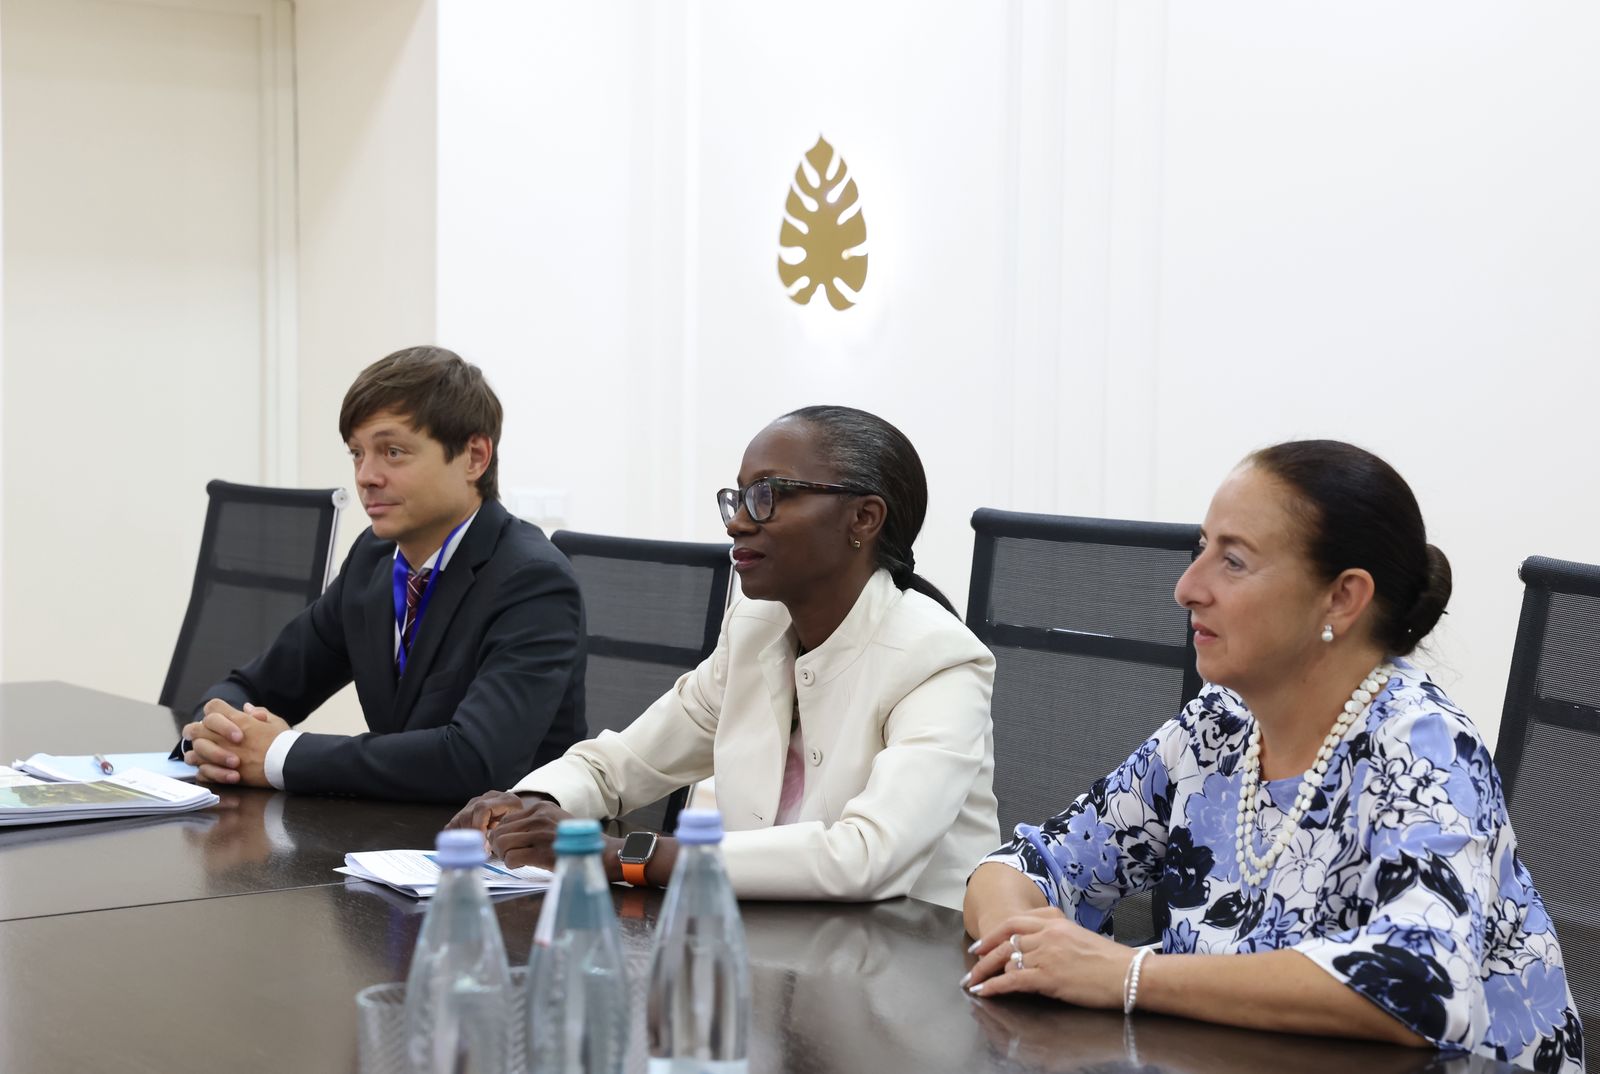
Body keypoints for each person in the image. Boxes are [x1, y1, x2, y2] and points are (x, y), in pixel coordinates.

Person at [962, 440, 1583, 1074]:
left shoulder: (1425, 747)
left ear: (1342, 598)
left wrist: (1128, 974)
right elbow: (1024, 865)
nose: (1187, 588)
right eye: (1202, 548)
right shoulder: (1219, 725)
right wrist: (1024, 948)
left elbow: (1421, 985)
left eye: (1233, 561)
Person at [449, 405, 999, 909]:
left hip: (908, 959)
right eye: (739, 498)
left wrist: (619, 855)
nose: (737, 521)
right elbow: (620, 764)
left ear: (864, 517)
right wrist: (528, 805)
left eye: (769, 495)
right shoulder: (755, 628)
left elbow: (865, 857)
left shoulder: (939, 659)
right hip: (768, 940)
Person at [180, 346, 586, 803]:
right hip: (394, 831)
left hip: (506, 839)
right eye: (357, 453)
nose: (366, 476)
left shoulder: (532, 581)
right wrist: (220, 733)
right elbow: (255, 685)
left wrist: (280, 754)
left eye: (393, 452)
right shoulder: (373, 560)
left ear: (474, 457)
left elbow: (474, 761)